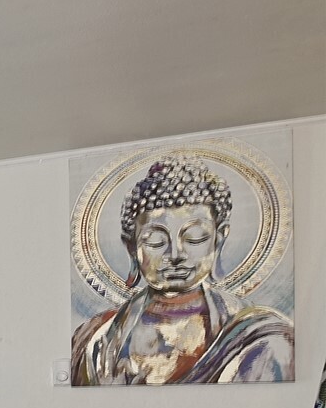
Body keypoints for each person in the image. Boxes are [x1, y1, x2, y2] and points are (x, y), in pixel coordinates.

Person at [71, 154, 293, 385]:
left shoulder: (258, 334)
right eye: (156, 241)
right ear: (131, 246)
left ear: (219, 238)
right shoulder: (98, 338)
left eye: (195, 238)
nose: (176, 255)